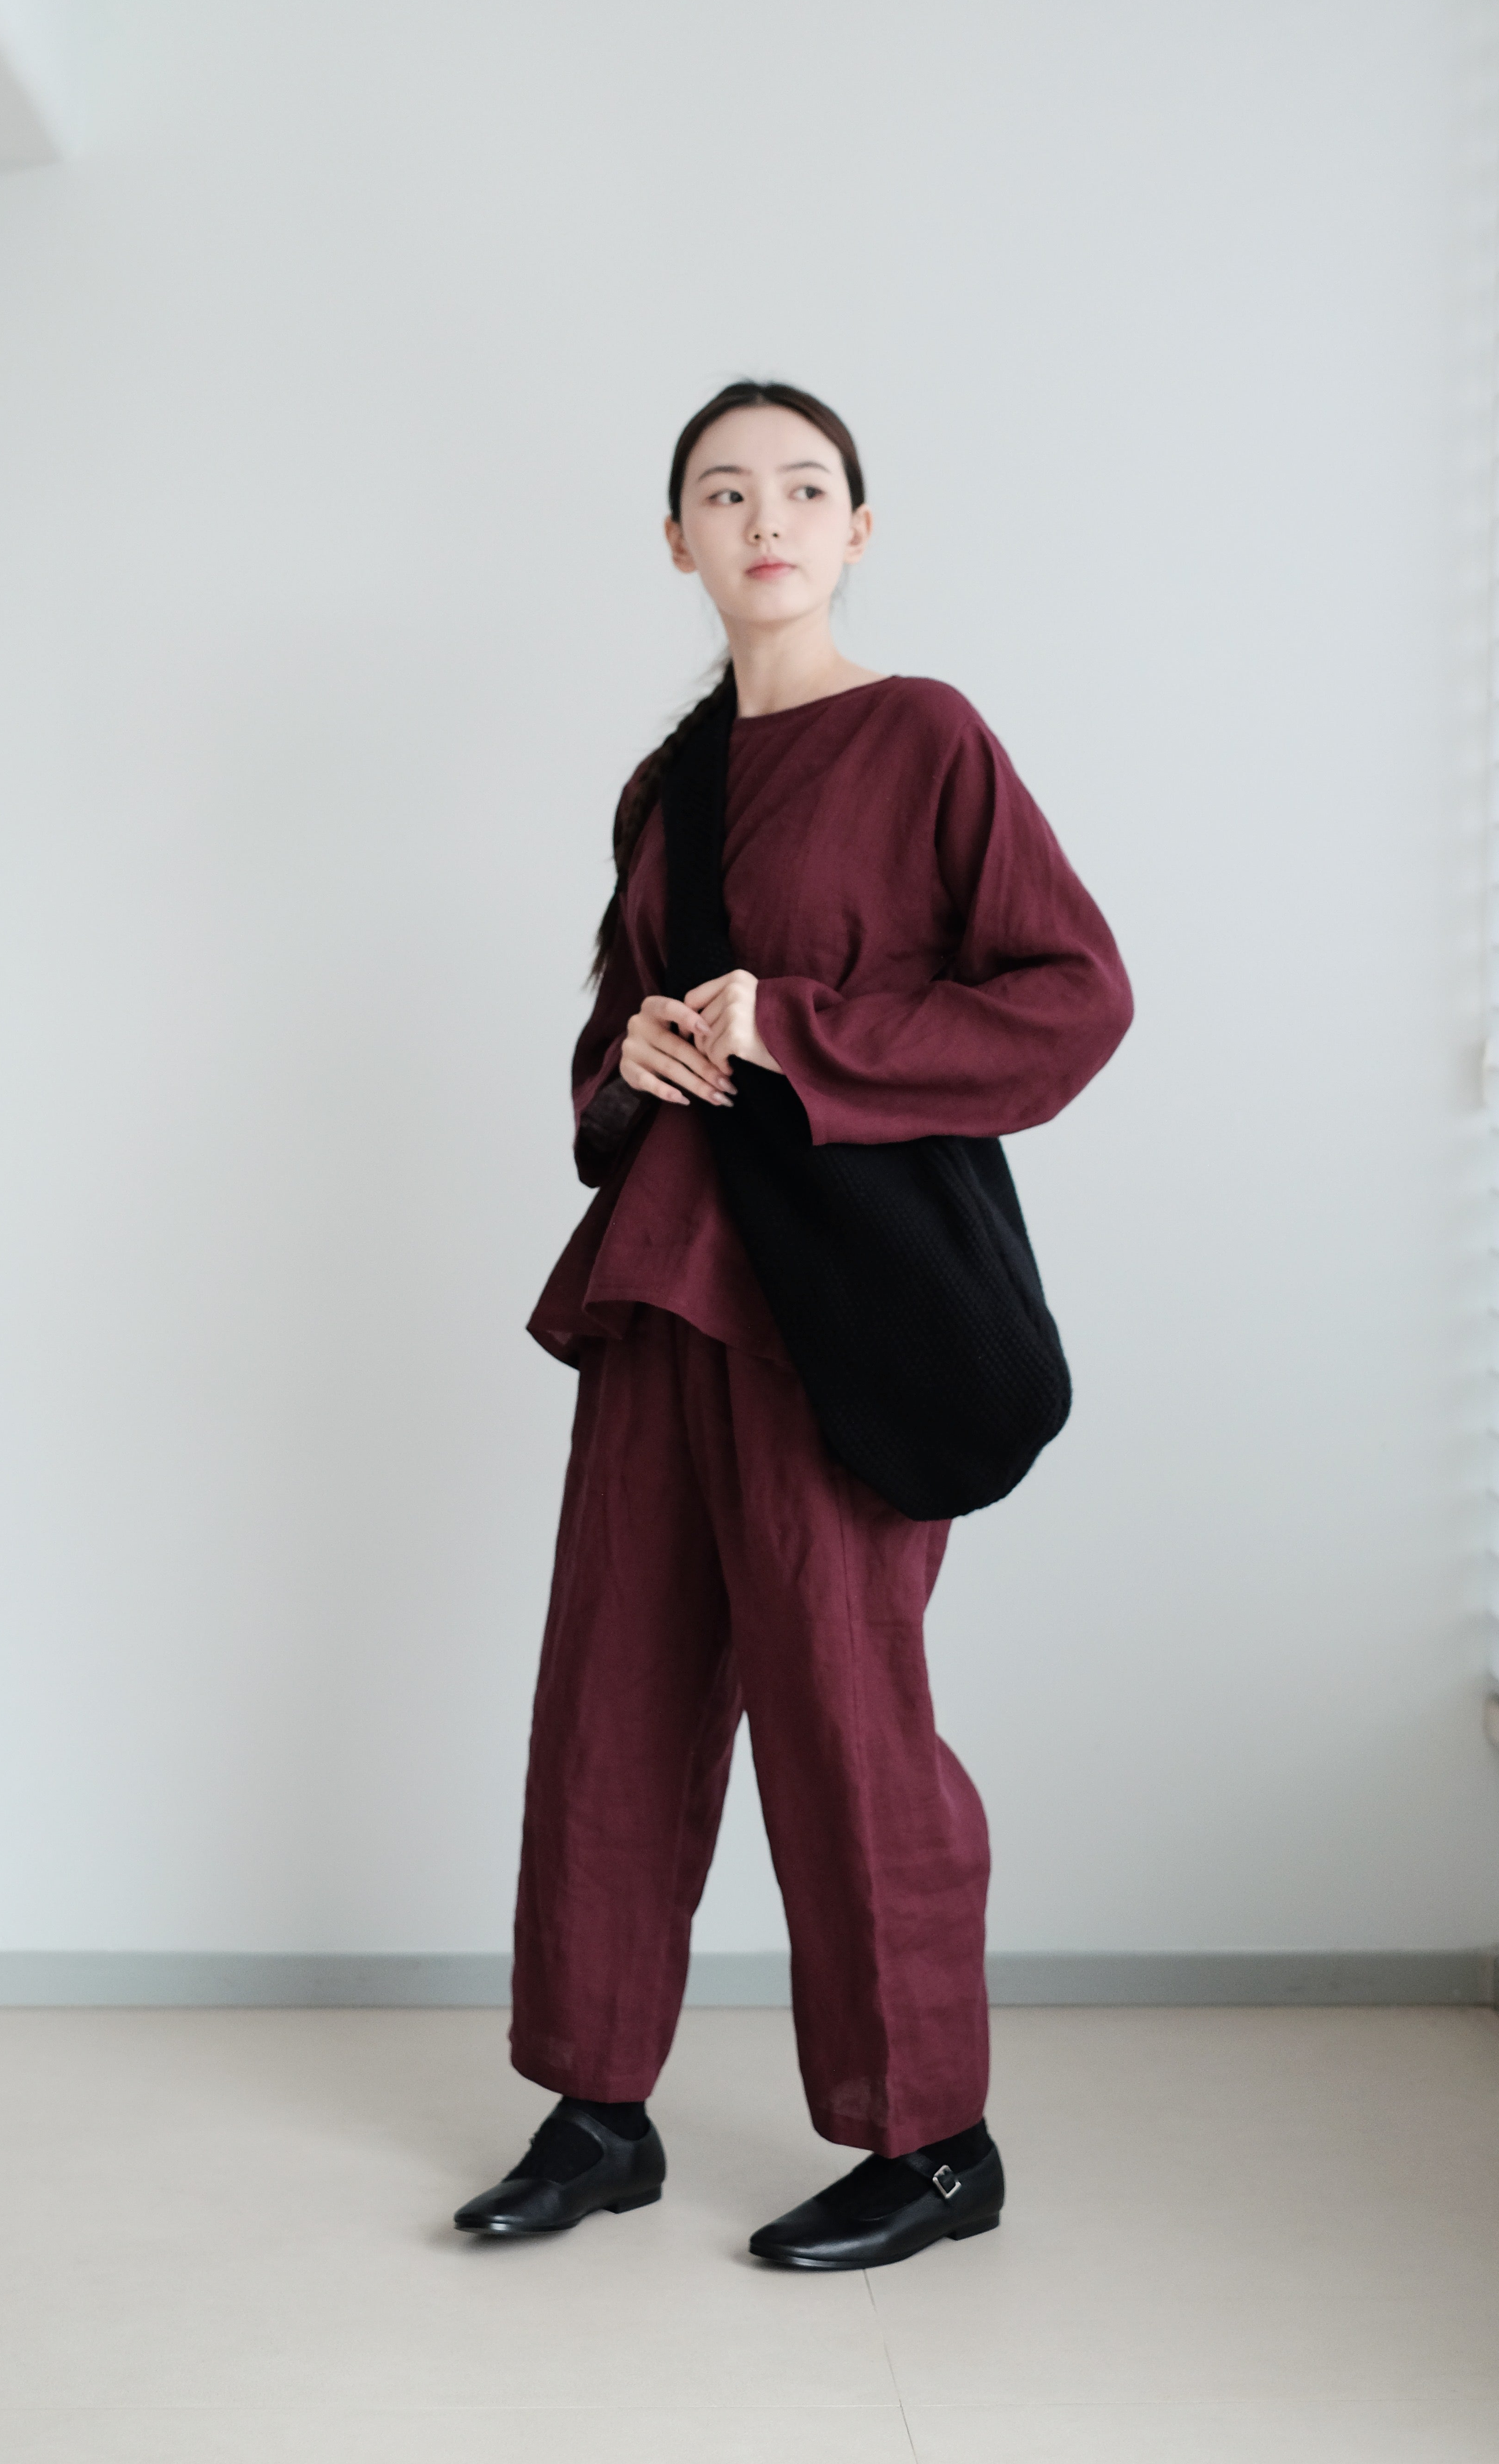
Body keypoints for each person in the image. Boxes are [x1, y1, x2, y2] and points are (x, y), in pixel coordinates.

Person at [454, 381, 1132, 2269]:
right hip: (662, 1288)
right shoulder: (663, 787)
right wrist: (643, 1054)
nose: (769, 517)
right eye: (726, 492)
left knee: (847, 1718)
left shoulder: (926, 739)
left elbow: (1072, 999)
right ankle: (598, 2110)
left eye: (806, 488)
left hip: (838, 1310)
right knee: (611, 1699)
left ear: (857, 529)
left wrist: (799, 1033)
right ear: (677, 539)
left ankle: (935, 2143)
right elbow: (611, 1046)